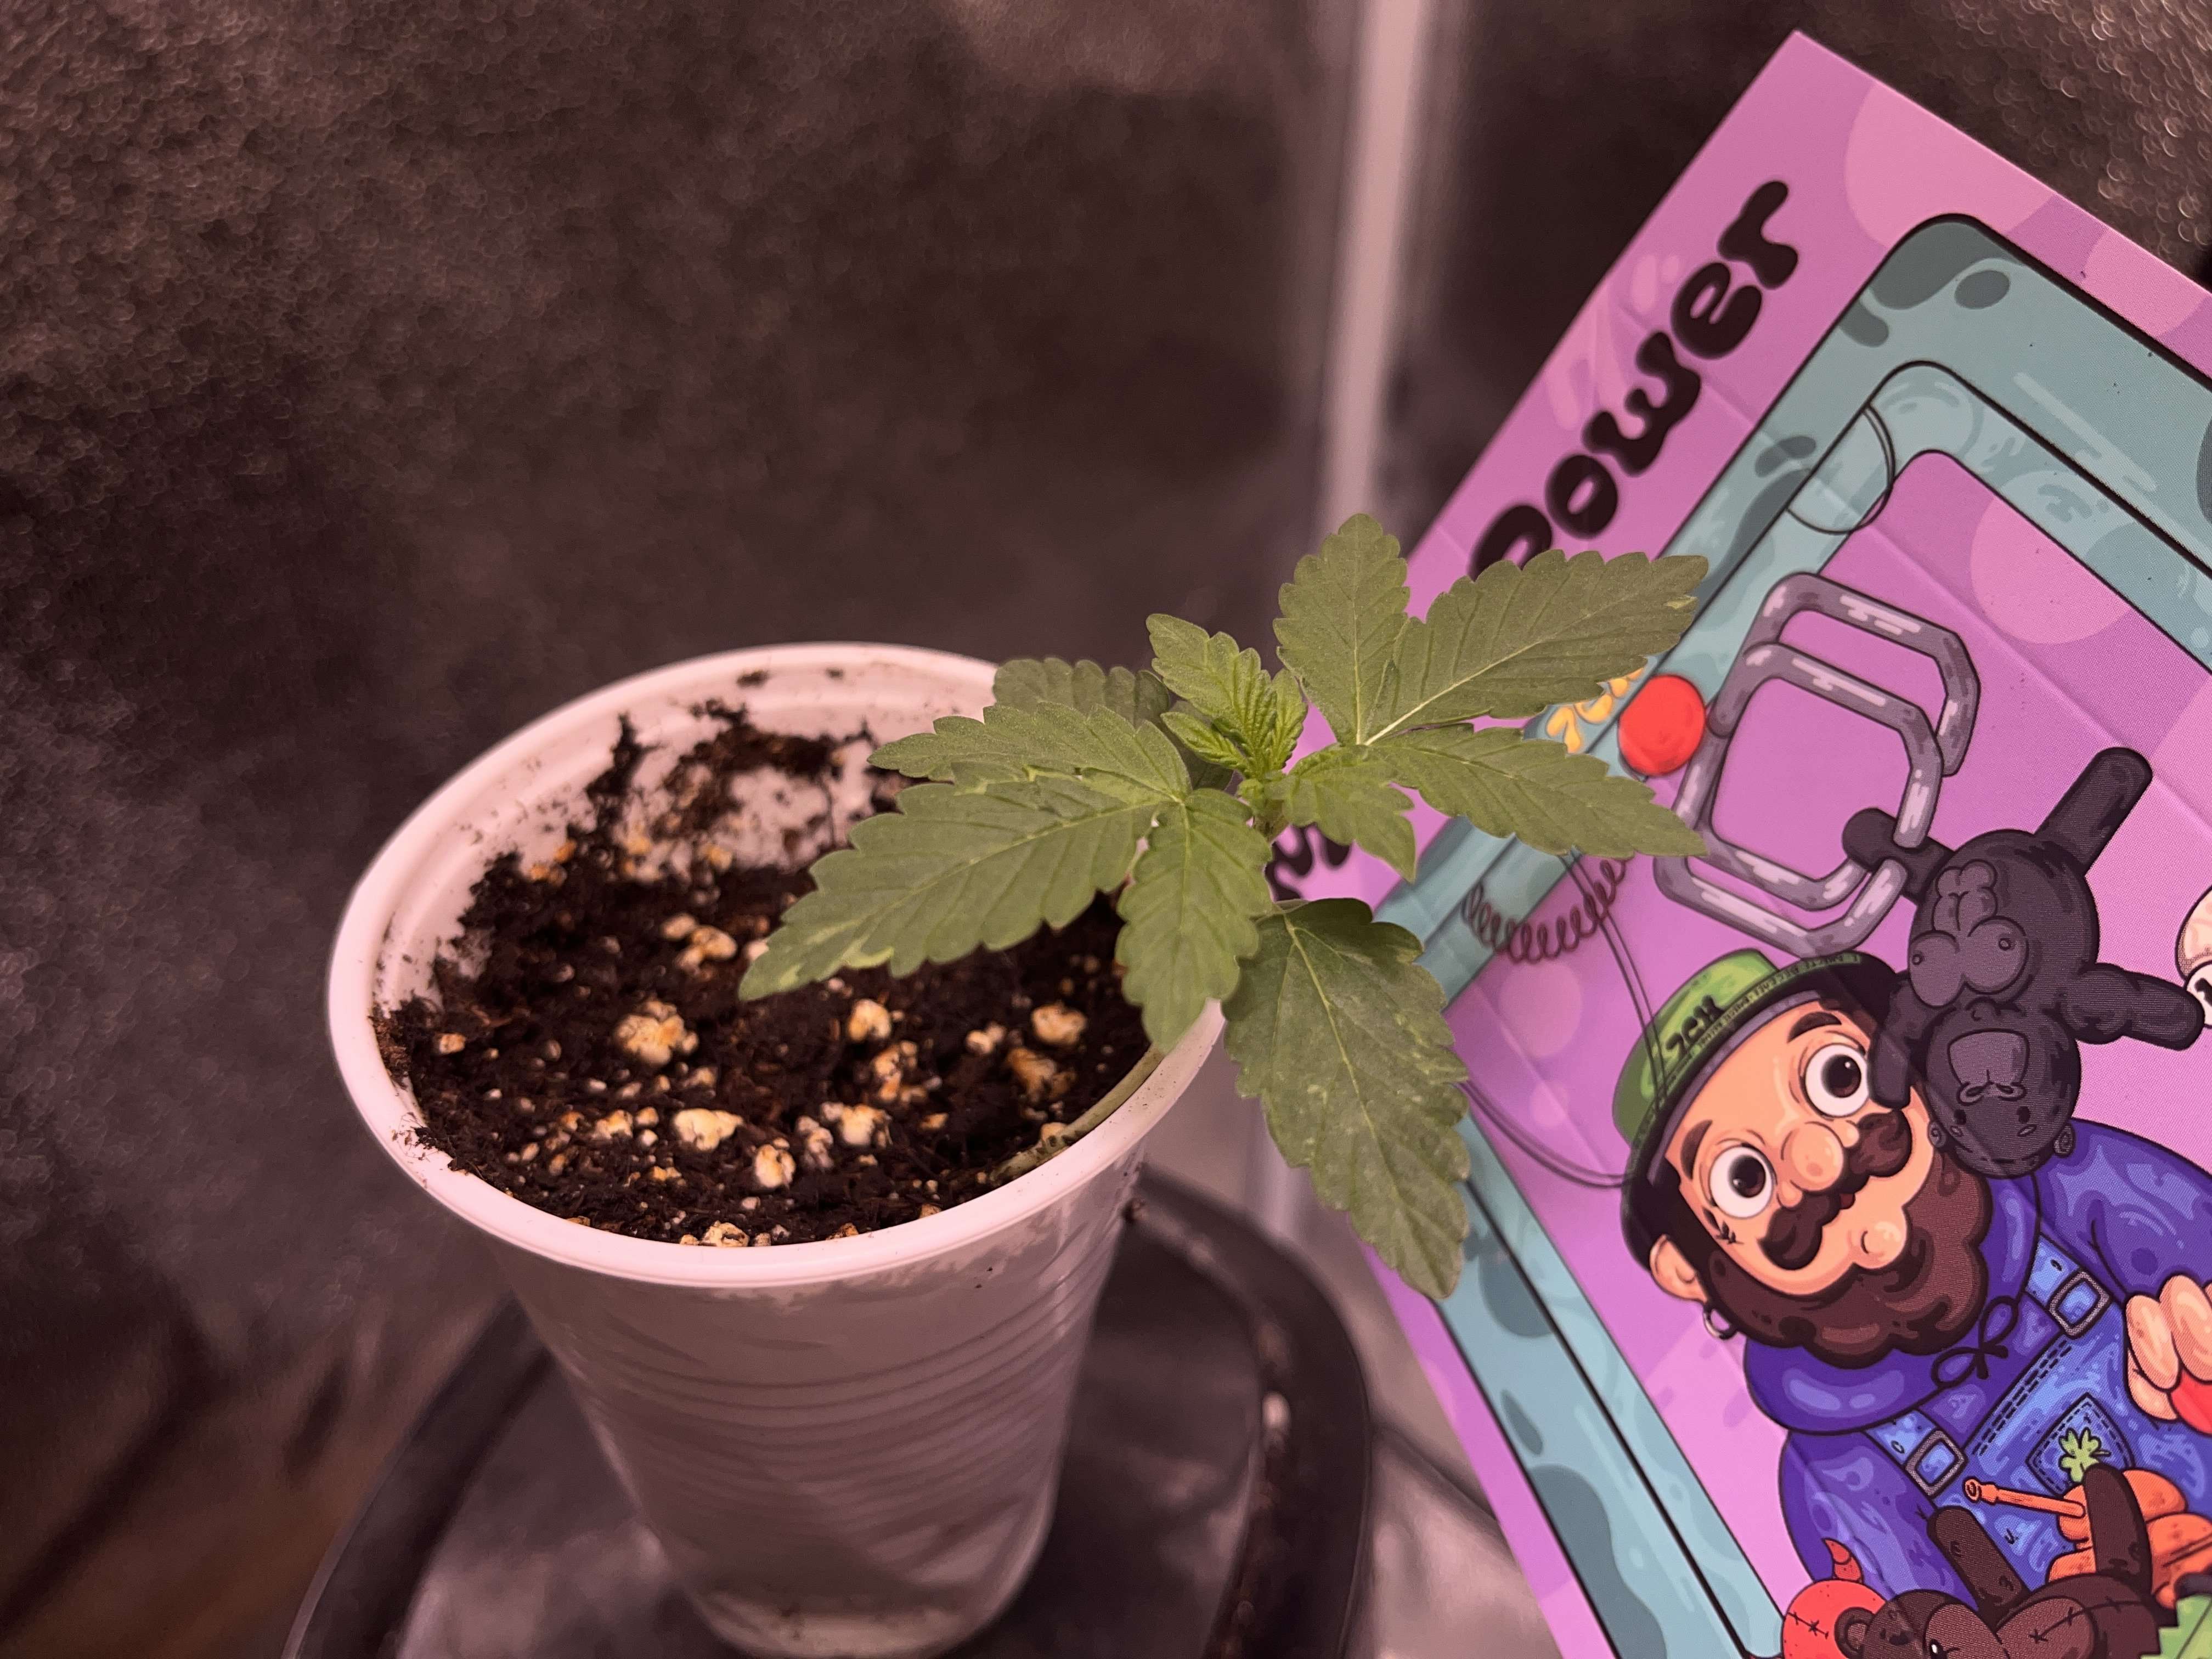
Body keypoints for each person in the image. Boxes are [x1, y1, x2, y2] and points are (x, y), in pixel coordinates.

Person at [1617, 949, 2212, 1601]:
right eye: (1744, 1179)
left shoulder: (2080, 1187)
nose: (1821, 1161)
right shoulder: (1837, 1473)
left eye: (1838, 1077)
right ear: (1688, 1268)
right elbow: (1927, 1629)